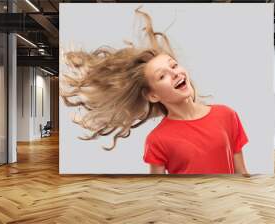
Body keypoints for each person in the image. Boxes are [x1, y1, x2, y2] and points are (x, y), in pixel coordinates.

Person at [60, 6, 250, 176]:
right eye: (162, 76)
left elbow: (242, 174)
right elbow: (158, 193)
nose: (174, 73)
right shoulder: (157, 139)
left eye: (174, 66)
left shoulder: (227, 114)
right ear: (153, 95)